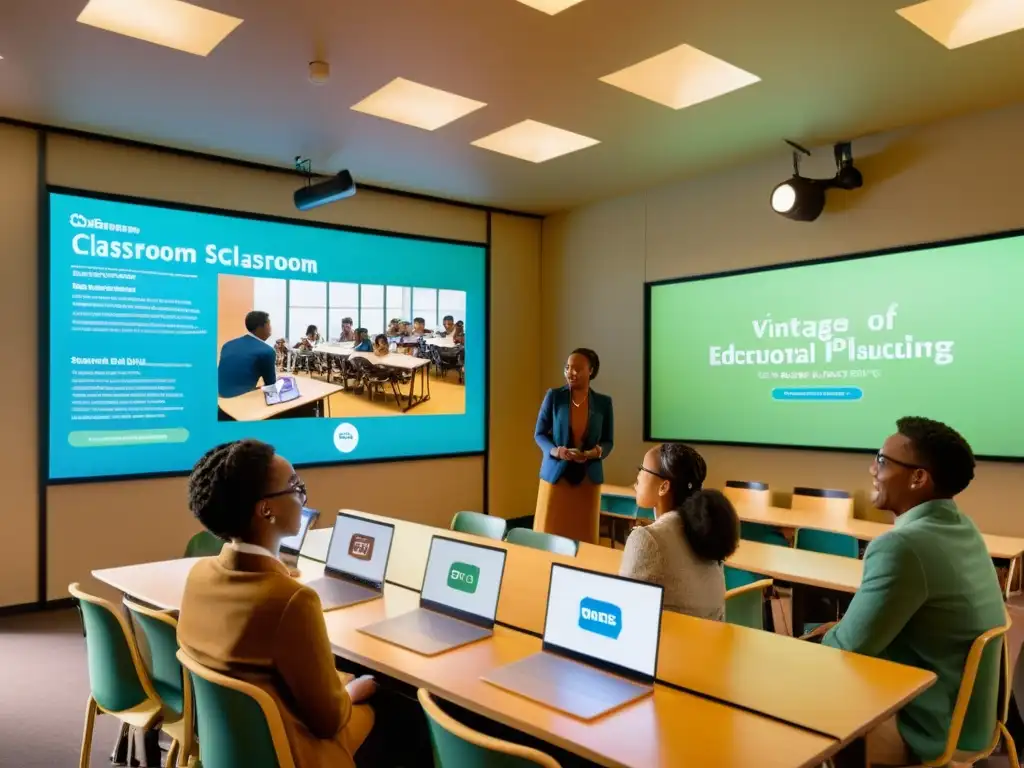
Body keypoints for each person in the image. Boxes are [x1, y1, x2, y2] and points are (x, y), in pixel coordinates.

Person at [804, 417, 1005, 767]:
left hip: (924, 724)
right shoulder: (962, 527)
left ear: (918, 478)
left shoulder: (902, 547)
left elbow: (845, 651)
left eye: (882, 461)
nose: (872, 469)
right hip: (969, 716)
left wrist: (813, 639)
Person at [178, 440, 377, 767]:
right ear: (265, 510)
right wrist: (350, 691)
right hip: (291, 754)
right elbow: (328, 719)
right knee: (393, 712)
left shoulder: (198, 575)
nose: (302, 497)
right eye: (294, 486)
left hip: (233, 751)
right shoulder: (291, 599)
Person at [620, 444, 739, 620]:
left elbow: (624, 610)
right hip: (706, 644)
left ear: (664, 487)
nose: (638, 476)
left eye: (642, 469)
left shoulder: (647, 539)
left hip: (670, 644)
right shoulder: (707, 528)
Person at [533, 348, 613, 544]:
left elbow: (608, 441)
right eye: (567, 367)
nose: (570, 372)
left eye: (577, 368)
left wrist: (596, 452)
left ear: (591, 371)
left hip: (588, 480)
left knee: (584, 540)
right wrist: (556, 451)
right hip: (556, 477)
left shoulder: (603, 403)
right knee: (548, 538)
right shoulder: (554, 396)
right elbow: (540, 434)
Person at [217, 311, 277, 398]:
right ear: (261, 327)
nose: (270, 328)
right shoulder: (267, 351)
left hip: (216, 400)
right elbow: (271, 388)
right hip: (239, 404)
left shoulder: (228, 345)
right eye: (269, 324)